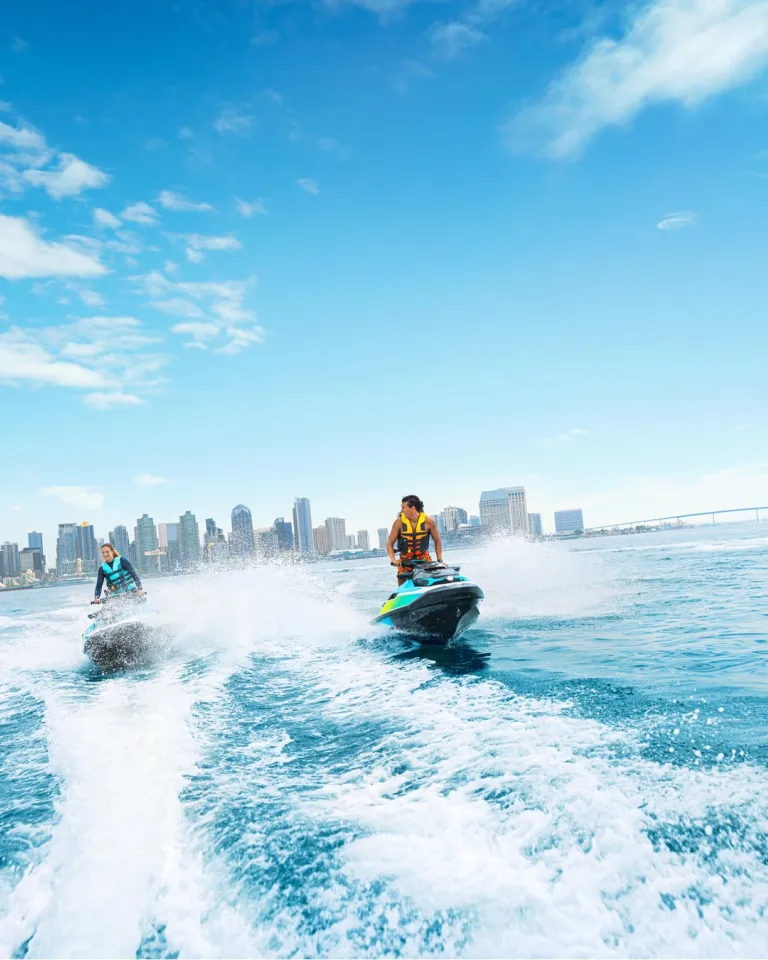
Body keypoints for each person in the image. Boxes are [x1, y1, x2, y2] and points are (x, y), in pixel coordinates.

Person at [386, 494, 444, 584]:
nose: (402, 510)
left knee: (431, 581)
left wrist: (440, 560)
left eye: (404, 507)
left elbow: (437, 540)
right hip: (405, 560)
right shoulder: (398, 523)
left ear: (412, 508)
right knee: (402, 582)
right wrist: (393, 560)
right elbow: (389, 543)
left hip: (423, 558)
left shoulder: (429, 521)